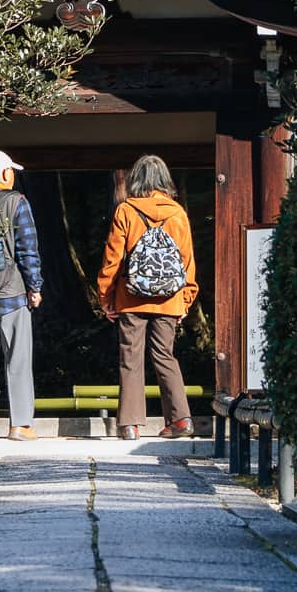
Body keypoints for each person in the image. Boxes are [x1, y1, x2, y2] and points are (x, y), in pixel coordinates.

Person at [97, 153, 198, 442]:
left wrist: (106, 297)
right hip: (169, 298)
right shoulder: (178, 213)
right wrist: (186, 300)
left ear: (135, 180)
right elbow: (187, 261)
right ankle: (180, 419)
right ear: (165, 181)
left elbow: (112, 259)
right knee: (165, 355)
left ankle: (129, 425)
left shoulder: (126, 211)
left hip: (131, 296)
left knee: (131, 357)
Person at [0, 149, 43, 443]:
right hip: (13, 294)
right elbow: (28, 249)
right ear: (5, 174)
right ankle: (20, 425)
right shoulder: (16, 203)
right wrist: (35, 286)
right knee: (18, 360)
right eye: (11, 171)